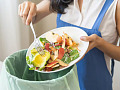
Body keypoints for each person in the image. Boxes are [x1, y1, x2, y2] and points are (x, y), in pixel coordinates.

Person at [18, 0, 120, 90]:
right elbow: (34, 17)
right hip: (61, 83)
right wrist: (28, 9)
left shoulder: (116, 4)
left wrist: (100, 43)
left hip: (95, 84)